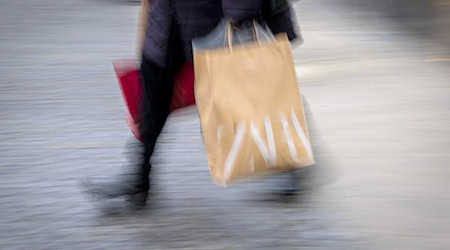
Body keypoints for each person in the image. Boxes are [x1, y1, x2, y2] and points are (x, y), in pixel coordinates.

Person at [84, 0, 300, 208]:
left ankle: (294, 160)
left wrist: (240, 12)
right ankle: (139, 176)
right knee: (153, 93)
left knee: (258, 92)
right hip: (167, 18)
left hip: (212, 17)